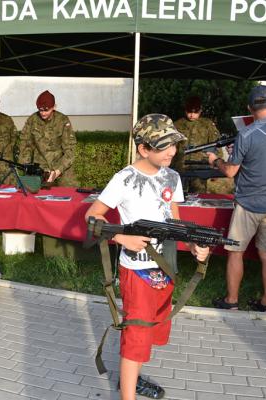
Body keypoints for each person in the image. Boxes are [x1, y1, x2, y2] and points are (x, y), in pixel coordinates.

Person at [85, 114, 209, 400]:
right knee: (136, 337)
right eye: (164, 147)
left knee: (149, 333)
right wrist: (120, 237)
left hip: (165, 268)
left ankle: (132, 379)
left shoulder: (172, 177)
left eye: (174, 145)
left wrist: (194, 247)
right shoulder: (125, 178)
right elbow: (92, 217)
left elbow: (175, 223)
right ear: (143, 149)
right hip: (137, 272)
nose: (172, 152)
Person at [208, 84, 266, 312]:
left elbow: (230, 171)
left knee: (235, 252)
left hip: (248, 204)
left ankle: (232, 300)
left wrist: (215, 160)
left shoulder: (246, 134)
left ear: (249, 108)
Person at [19, 90, 77, 186]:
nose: (43, 113)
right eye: (40, 110)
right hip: (40, 168)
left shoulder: (62, 120)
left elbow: (70, 150)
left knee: (68, 193)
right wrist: (27, 167)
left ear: (54, 107)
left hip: (61, 167)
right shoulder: (32, 120)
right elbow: (25, 144)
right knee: (34, 195)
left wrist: (58, 171)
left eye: (46, 110)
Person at [173, 96, 220, 193]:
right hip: (180, 168)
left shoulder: (207, 124)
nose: (191, 115)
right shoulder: (177, 125)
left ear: (200, 110)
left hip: (200, 168)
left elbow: (215, 145)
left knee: (199, 198)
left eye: (195, 112)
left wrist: (216, 167)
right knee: (178, 197)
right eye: (189, 112)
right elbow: (171, 147)